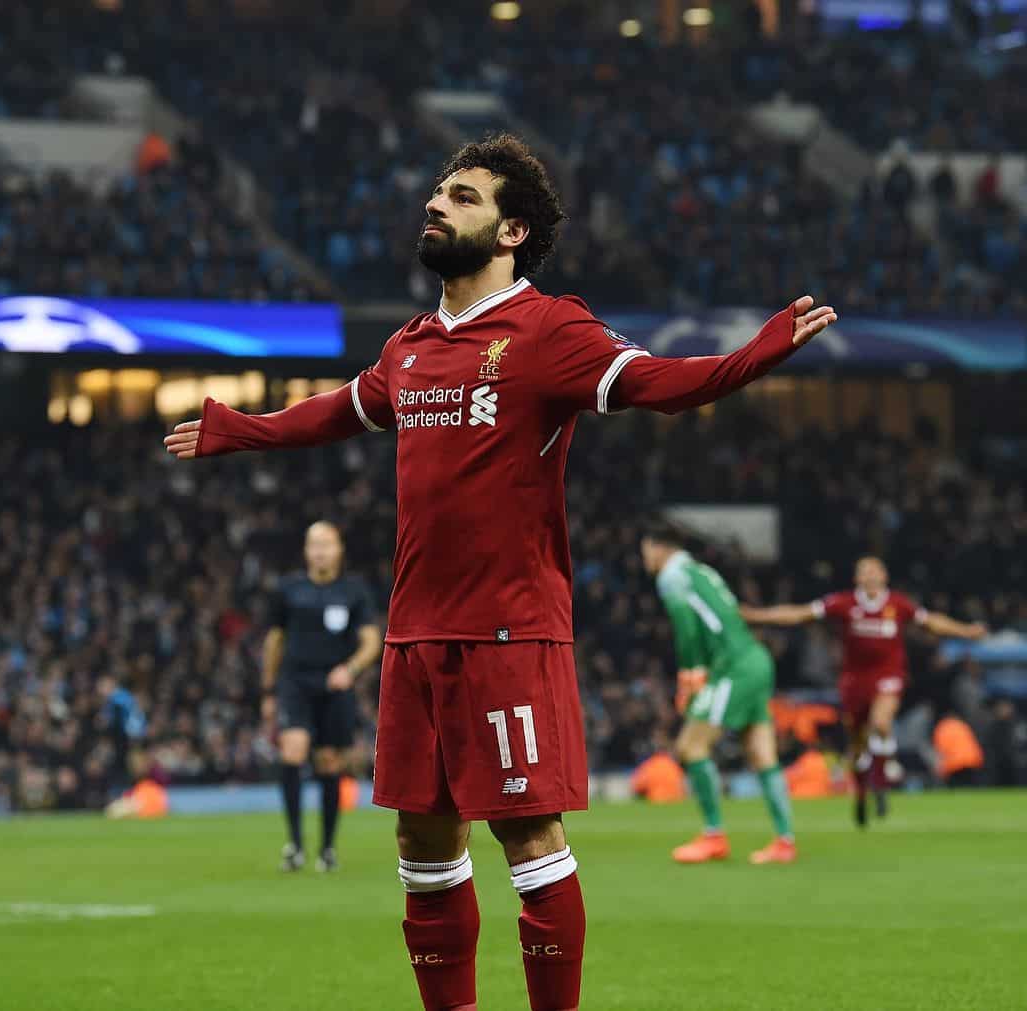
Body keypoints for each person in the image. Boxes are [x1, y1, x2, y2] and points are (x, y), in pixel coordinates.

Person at [165, 134, 836, 1011]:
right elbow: (339, 411)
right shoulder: (409, 348)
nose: (437, 204)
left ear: (512, 229)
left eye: (463, 197)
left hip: (508, 631)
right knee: (423, 843)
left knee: (528, 834)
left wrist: (754, 354)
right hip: (413, 636)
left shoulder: (550, 328)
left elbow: (663, 383)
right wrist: (238, 427)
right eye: (438, 193)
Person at [741, 557, 986, 827]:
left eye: (875, 571)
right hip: (854, 681)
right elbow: (800, 613)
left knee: (881, 722)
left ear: (884, 577)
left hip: (888, 675)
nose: (870, 576)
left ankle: (882, 775)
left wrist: (965, 631)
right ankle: (861, 792)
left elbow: (931, 622)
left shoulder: (897, 604)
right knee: (857, 748)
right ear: (857, 578)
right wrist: (758, 615)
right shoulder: (844, 603)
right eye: (864, 572)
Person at [640, 522, 797, 865]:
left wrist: (690, 672)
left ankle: (714, 836)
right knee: (761, 755)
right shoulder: (704, 572)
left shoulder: (671, 575)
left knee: (690, 747)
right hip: (756, 659)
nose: (645, 559)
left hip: (734, 667)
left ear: (659, 547)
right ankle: (785, 842)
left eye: (646, 550)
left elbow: (684, 621)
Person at [262, 521, 382, 873]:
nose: (320, 551)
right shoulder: (289, 590)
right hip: (295, 683)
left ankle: (327, 848)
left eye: (326, 544)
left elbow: (371, 640)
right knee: (293, 750)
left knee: (330, 762)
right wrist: (268, 688)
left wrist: (351, 668)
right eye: (314, 544)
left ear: (339, 549)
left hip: (335, 687)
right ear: (305, 550)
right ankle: (295, 845)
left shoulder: (354, 591)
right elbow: (275, 640)